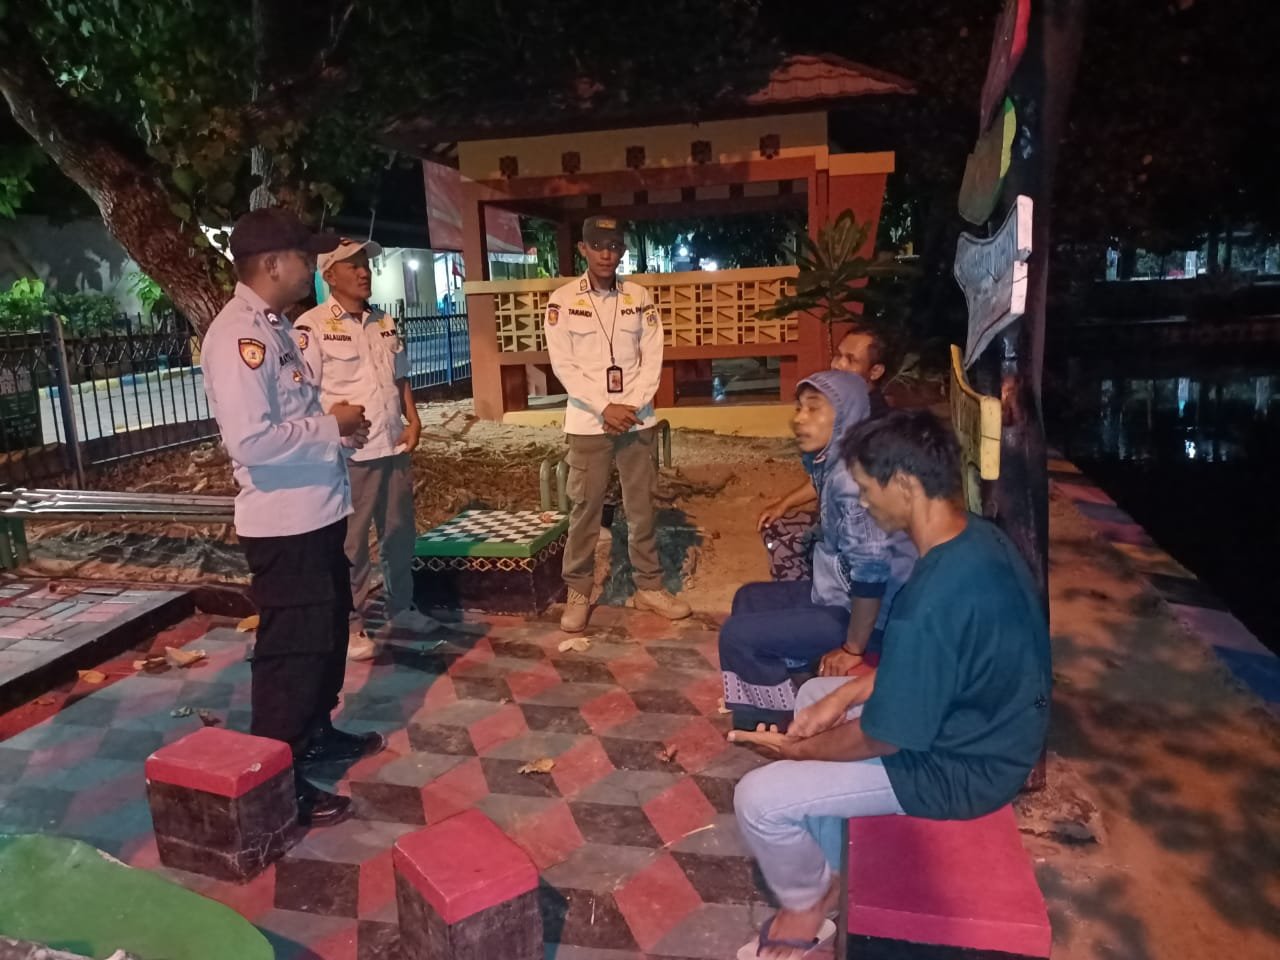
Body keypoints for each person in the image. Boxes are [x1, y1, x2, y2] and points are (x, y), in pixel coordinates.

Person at [730, 410, 1053, 959]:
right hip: (984, 726)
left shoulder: (934, 596)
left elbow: (883, 737)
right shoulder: (975, 539)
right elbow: (943, 657)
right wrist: (844, 694)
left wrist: (800, 751)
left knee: (758, 798)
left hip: (963, 769)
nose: (862, 502)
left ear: (904, 484)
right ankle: (835, 873)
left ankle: (805, 905)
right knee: (814, 695)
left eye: (865, 488)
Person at [202, 208, 385, 827]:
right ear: (273, 264)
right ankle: (276, 779)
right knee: (291, 653)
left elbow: (290, 419)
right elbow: (250, 441)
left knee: (326, 633)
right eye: (306, 259)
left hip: (317, 510)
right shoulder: (237, 337)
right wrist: (329, 426)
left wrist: (335, 432)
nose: (312, 268)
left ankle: (314, 733)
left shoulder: (274, 327)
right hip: (284, 524)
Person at [718, 371, 915, 732]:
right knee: (749, 599)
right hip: (840, 596)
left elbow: (871, 573)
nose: (799, 419)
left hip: (875, 618)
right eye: (799, 408)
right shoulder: (832, 463)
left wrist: (853, 648)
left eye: (814, 408)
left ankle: (779, 723)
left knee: (737, 635)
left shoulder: (852, 480)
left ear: (846, 415)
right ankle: (791, 688)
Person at [545, 215, 691, 632]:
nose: (606, 254)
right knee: (585, 509)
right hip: (588, 422)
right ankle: (578, 591)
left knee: (641, 506)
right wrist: (604, 407)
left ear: (622, 250)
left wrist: (630, 404)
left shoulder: (639, 297)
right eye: (597, 246)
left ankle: (649, 586)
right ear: (583, 250)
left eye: (613, 246)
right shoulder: (562, 301)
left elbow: (653, 356)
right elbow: (564, 365)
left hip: (636, 420)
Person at [295, 237, 437, 661]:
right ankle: (351, 621)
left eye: (365, 264)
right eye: (353, 265)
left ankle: (401, 607)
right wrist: (332, 423)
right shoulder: (311, 326)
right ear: (329, 275)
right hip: (351, 454)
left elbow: (399, 376)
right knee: (352, 544)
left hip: (392, 445)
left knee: (399, 534)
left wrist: (413, 419)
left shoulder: (383, 321)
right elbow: (302, 393)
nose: (363, 272)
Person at [756, 324, 892, 558]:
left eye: (851, 360)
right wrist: (783, 504)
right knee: (775, 530)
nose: (838, 365)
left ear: (875, 371)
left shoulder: (874, 425)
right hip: (840, 520)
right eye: (838, 355)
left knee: (787, 547)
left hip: (864, 536)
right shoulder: (844, 406)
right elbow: (827, 472)